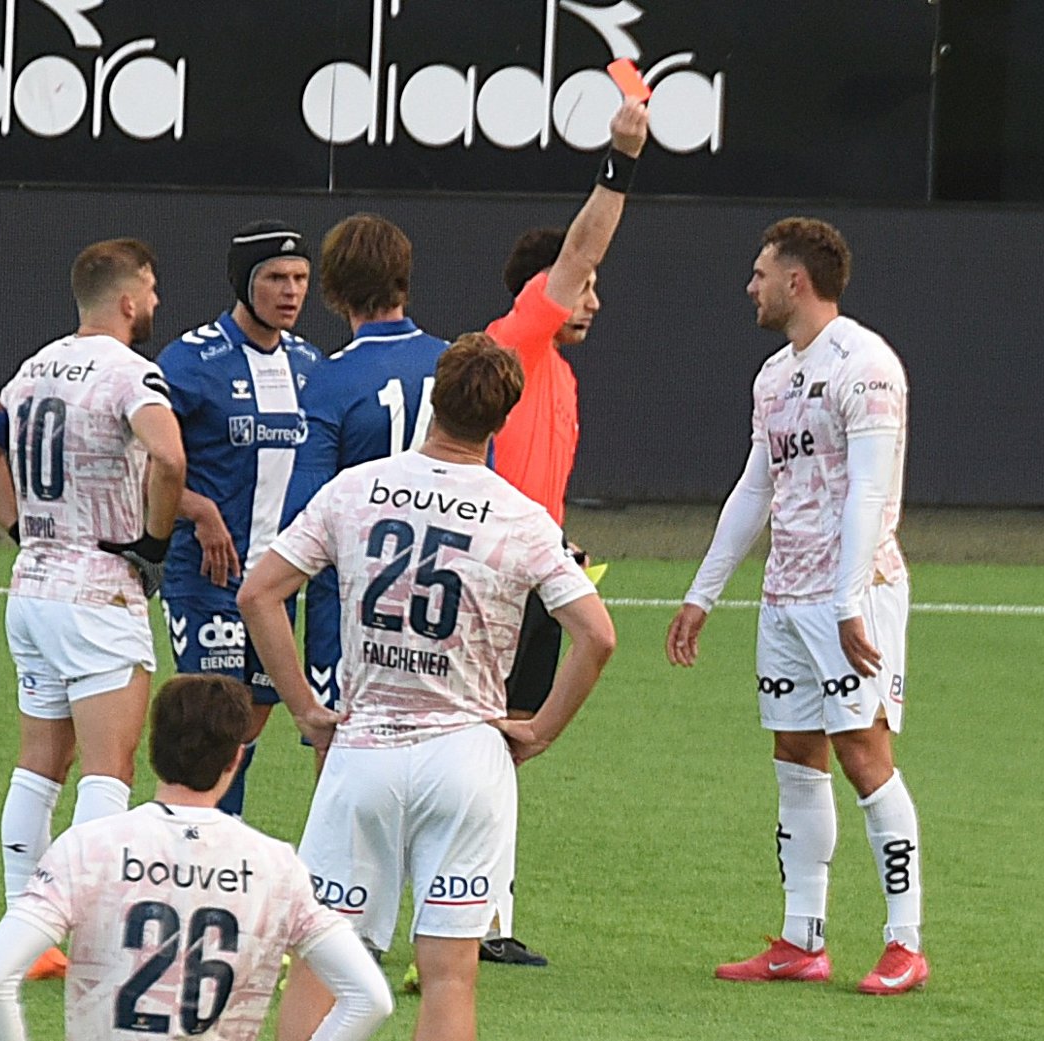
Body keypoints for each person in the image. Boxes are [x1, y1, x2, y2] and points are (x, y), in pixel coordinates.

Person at [238, 334, 618, 1041]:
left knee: (323, 957)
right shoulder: (520, 516)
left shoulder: (356, 488)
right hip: (467, 757)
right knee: (449, 974)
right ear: (503, 417)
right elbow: (597, 635)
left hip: (364, 749)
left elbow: (259, 593)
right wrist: (539, 730)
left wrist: (305, 709)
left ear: (435, 399)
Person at [664, 217, 926, 995]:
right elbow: (756, 488)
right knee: (795, 754)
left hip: (854, 593)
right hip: (784, 595)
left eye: (760, 273)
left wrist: (847, 599)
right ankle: (802, 937)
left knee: (864, 755)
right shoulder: (775, 375)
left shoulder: (866, 366)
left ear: (796, 281)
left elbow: (871, 491)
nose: (750, 286)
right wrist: (703, 591)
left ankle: (904, 941)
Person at [0, 238, 188, 980]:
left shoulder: (34, 369)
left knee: (39, 764)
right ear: (127, 299)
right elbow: (170, 458)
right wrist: (154, 542)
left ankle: (24, 927)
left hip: (33, 587)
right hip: (99, 592)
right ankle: (92, 932)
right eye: (151, 289)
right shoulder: (130, 373)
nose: (156, 302)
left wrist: (24, 528)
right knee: (108, 769)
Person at [0, 674, 395, 1041]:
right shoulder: (276, 866)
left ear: (154, 748)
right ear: (235, 758)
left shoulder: (87, 848)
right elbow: (370, 998)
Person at [473, 93, 648, 968]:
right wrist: (620, 161)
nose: (595, 300)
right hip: (489, 576)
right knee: (481, 739)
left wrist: (562, 547)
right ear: (543, 292)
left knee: (506, 739)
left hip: (537, 573)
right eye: (585, 288)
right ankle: (468, 913)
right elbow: (581, 248)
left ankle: (487, 912)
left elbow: (537, 480)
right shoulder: (518, 341)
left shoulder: (562, 377)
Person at [155, 220, 322, 818]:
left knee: (250, 724)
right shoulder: (190, 361)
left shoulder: (310, 364)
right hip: (207, 578)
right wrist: (197, 509)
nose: (291, 291)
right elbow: (142, 461)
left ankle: (219, 830)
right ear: (243, 283)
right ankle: (196, 836)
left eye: (300, 278)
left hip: (277, 584)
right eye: (275, 277)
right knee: (211, 722)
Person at [283, 213, 451, 753]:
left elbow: (305, 512)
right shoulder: (454, 363)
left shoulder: (329, 381)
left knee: (339, 754)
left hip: (355, 602)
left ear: (333, 289)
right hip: (443, 597)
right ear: (403, 276)